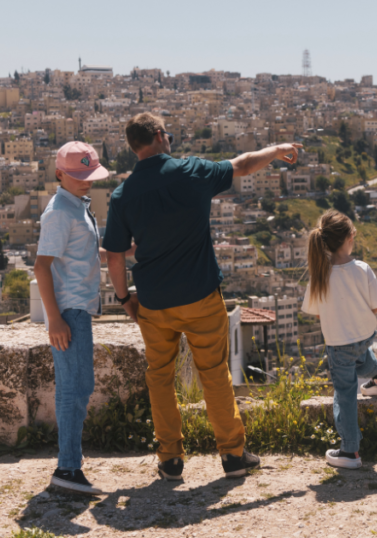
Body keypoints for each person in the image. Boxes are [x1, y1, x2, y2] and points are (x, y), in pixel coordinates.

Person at [103, 112, 302, 480]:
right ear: (161, 136)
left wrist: (123, 299)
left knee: (160, 378)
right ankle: (233, 455)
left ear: (134, 147)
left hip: (153, 301)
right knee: (214, 374)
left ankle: (170, 459)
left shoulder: (122, 195)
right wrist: (275, 149)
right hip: (200, 296)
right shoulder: (191, 172)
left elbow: (114, 255)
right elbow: (242, 165)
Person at [36, 141, 119, 494]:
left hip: (78, 309)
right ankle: (67, 470)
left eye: (90, 175)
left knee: (78, 387)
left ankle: (70, 465)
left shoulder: (78, 207)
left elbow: (79, 253)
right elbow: (42, 266)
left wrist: (119, 251)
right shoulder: (59, 211)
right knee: (74, 389)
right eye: (79, 175)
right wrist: (54, 319)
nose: (87, 181)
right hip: (69, 311)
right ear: (59, 174)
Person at [301, 210, 377, 470]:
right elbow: (376, 307)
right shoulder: (363, 269)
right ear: (351, 237)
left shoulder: (320, 274)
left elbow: (314, 310)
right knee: (360, 353)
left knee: (345, 393)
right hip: (365, 334)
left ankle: (350, 451)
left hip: (338, 342)